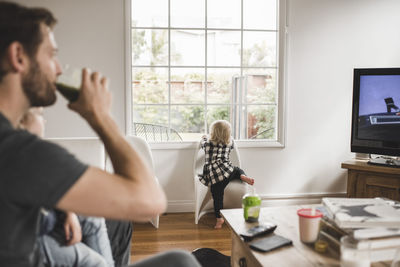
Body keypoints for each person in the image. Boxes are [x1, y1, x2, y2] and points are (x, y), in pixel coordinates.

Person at [0, 2, 200, 267]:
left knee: (107, 221)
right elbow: (151, 201)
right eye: (51, 54)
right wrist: (100, 116)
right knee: (181, 261)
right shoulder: (19, 152)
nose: (59, 68)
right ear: (19, 56)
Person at [19, 108, 114, 267]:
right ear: (21, 122)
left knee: (93, 219)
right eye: (40, 115)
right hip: (27, 238)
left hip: (41, 223)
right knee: (96, 263)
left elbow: (52, 187)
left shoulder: (33, 153)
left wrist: (69, 212)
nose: (45, 121)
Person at [199, 120, 255, 229]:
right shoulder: (230, 143)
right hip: (228, 170)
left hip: (215, 175)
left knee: (217, 196)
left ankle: (219, 219)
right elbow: (231, 145)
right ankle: (242, 176)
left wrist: (204, 138)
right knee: (237, 169)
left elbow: (203, 143)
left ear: (213, 132)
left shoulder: (208, 144)